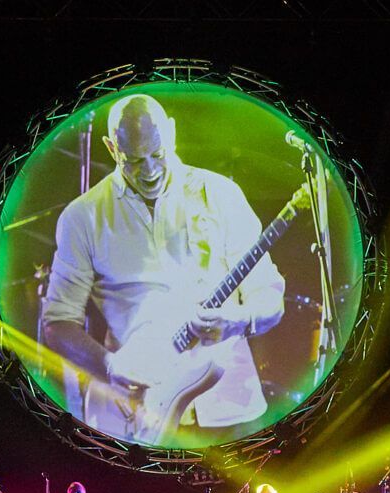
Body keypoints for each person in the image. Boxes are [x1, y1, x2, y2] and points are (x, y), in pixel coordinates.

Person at [40, 93, 289, 444]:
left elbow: (270, 298)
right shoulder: (83, 217)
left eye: (158, 154)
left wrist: (239, 320)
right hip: (140, 414)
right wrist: (109, 366)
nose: (151, 171)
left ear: (171, 133)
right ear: (112, 148)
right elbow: (57, 323)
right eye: (135, 161)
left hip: (230, 407)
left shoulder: (220, 194)